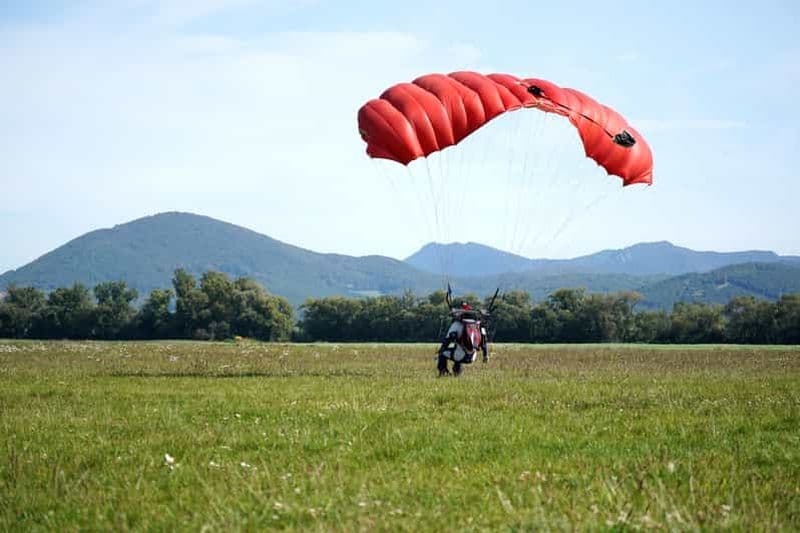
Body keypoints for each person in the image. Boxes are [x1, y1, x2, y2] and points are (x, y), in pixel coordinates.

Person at [437, 301, 489, 377]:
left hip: (460, 356)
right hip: (472, 357)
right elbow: (484, 343)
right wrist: (485, 355)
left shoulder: (457, 325)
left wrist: (440, 351)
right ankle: (457, 374)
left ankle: (443, 373)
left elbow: (446, 342)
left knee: (443, 354)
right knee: (457, 351)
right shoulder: (478, 325)